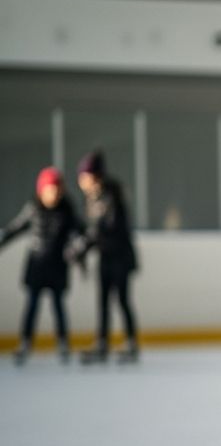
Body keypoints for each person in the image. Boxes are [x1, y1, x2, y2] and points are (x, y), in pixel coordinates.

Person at [0, 167, 83, 364]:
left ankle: (63, 343)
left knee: (58, 306)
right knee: (32, 306)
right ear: (41, 191)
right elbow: (15, 228)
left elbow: (80, 233)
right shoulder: (33, 208)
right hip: (37, 266)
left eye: (57, 190)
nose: (53, 194)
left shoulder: (67, 210)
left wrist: (77, 249)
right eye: (49, 190)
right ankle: (25, 342)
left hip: (57, 267)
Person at [71, 150, 140, 364]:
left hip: (120, 256)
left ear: (94, 176)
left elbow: (104, 227)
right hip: (105, 256)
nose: (81, 181)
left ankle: (131, 343)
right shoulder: (93, 197)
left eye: (84, 176)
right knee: (103, 301)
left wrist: (84, 245)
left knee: (122, 299)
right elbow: (94, 229)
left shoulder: (110, 195)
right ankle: (102, 343)